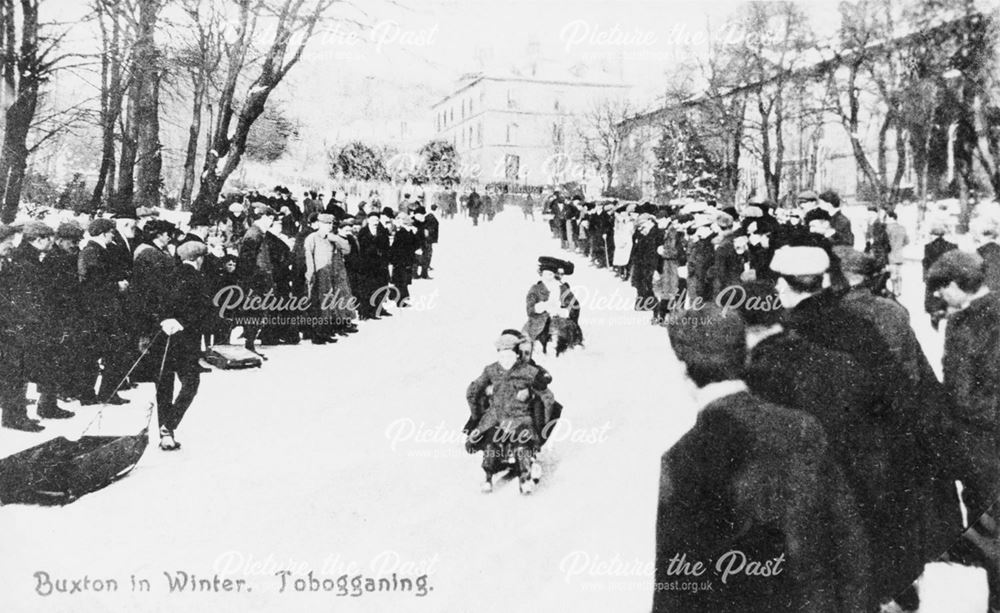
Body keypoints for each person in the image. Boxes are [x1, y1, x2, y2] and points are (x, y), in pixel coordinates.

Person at [655, 306, 873, 612]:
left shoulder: (684, 457)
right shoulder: (803, 427)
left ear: (683, 370)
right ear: (745, 358)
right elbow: (849, 539)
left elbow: (677, 584)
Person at [928, 250, 1000, 610]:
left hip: (982, 446)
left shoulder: (968, 323)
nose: (938, 295)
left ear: (956, 285)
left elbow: (960, 393)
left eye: (941, 288)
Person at [141, 241, 214, 451]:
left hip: (162, 338)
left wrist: (163, 321)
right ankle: (169, 425)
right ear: (198, 258)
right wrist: (183, 323)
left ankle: (166, 435)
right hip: (186, 341)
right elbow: (204, 310)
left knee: (164, 386)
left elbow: (152, 302)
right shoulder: (199, 279)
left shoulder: (167, 275)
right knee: (191, 383)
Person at [464, 331, 549, 495]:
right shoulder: (491, 371)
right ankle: (488, 476)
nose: (506, 361)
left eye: (510, 356)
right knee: (491, 441)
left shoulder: (527, 370)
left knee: (522, 441)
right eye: (502, 356)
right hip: (496, 416)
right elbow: (472, 391)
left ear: (516, 355)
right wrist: (477, 416)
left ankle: (525, 478)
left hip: (519, 417)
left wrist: (530, 391)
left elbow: (544, 382)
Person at [78, 217, 130, 405]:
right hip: (98, 312)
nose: (112, 235)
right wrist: (117, 285)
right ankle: (92, 393)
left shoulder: (100, 250)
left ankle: (101, 392)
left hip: (103, 310)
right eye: (110, 232)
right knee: (98, 352)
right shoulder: (92, 251)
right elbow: (92, 283)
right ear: (102, 233)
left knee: (105, 352)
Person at [522, 256, 583, 356]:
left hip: (559, 319)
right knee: (530, 333)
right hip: (539, 319)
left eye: (551, 275)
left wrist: (564, 311)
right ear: (541, 274)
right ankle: (537, 345)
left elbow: (574, 305)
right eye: (545, 274)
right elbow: (530, 308)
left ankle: (555, 344)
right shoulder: (535, 289)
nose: (548, 278)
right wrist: (541, 307)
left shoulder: (562, 288)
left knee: (560, 329)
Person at [923, 219, 957, 328]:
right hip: (947, 277)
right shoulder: (952, 246)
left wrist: (925, 277)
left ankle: (934, 314)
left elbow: (926, 263)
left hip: (933, 277)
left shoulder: (928, 247)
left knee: (932, 296)